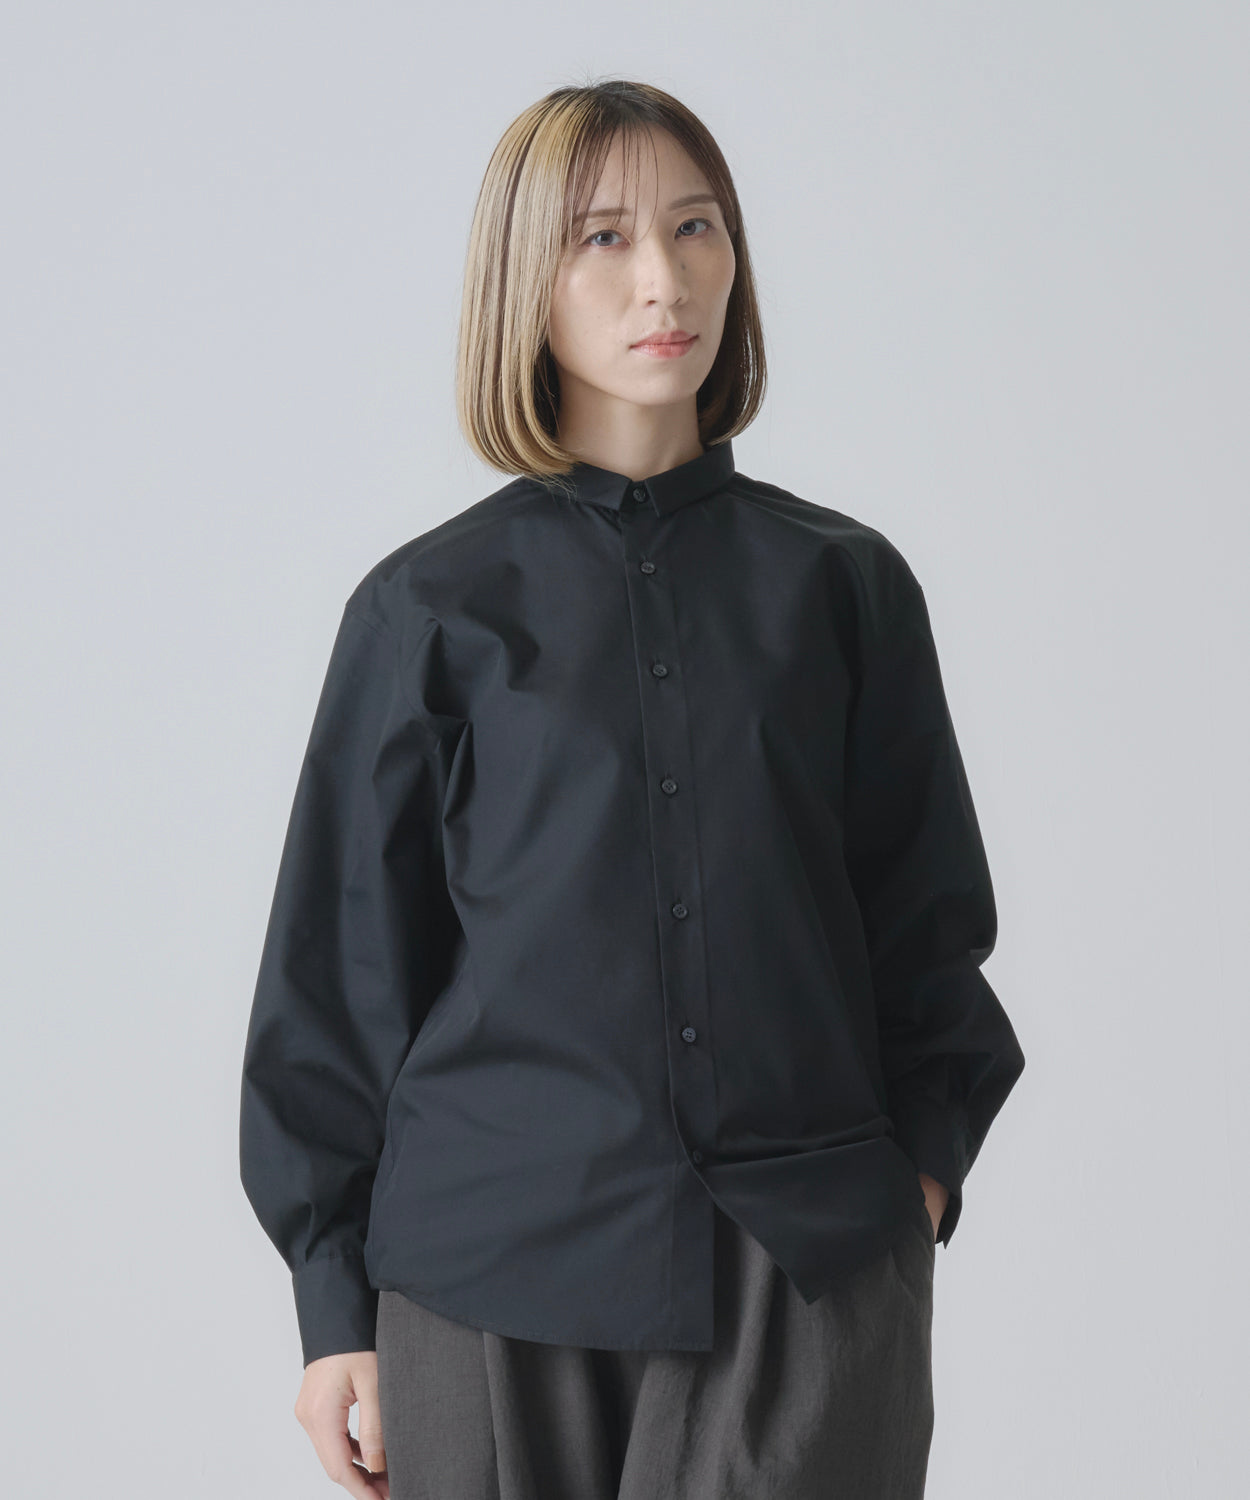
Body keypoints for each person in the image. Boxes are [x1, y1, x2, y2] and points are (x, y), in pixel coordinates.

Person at [239, 77, 1026, 1500]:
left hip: (803, 1269)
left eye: (694, 226)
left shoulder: (844, 587)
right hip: (487, 1278)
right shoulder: (426, 611)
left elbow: (926, 928)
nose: (663, 278)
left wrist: (914, 1178)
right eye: (602, 237)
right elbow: (338, 983)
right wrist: (332, 1305)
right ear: (523, 279)